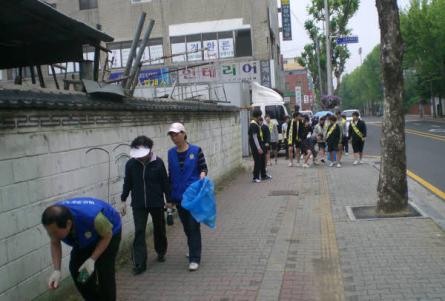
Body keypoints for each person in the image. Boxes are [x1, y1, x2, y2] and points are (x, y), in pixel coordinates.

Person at [42, 197, 122, 301]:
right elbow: (55, 242)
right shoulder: (54, 220)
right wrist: (57, 270)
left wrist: (92, 259)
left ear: (68, 224)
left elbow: (107, 235)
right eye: (49, 233)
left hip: (108, 234)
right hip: (85, 237)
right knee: (79, 273)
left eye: (55, 232)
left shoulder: (93, 217)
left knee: (104, 272)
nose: (52, 235)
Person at [120, 136, 170, 275]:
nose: (140, 158)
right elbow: (127, 182)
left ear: (150, 150)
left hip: (156, 202)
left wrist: (169, 200)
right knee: (139, 231)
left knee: (159, 228)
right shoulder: (130, 164)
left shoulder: (158, 163)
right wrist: (123, 199)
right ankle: (139, 263)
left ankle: (161, 251)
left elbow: (165, 183)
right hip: (138, 204)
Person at [167, 122, 208, 271]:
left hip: (193, 196)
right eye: (171, 135)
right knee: (186, 226)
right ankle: (192, 246)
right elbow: (170, 176)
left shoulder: (196, 151)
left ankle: (194, 258)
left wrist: (203, 175)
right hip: (178, 196)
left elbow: (204, 168)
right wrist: (170, 200)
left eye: (176, 134)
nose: (174, 137)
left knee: (193, 226)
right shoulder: (171, 153)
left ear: (184, 134)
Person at [248, 110, 268, 182]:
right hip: (256, 146)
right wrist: (259, 148)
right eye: (260, 115)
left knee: (262, 160)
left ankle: (263, 175)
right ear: (258, 116)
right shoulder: (253, 124)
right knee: (257, 161)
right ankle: (255, 177)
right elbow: (254, 137)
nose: (261, 117)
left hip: (260, 144)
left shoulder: (256, 124)